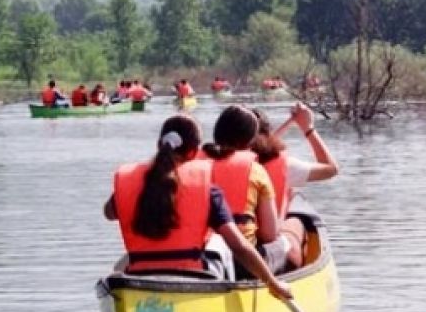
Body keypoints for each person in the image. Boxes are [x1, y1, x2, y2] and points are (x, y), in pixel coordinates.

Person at [103, 114, 291, 300]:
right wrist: (272, 282)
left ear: (159, 145)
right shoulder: (206, 189)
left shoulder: (135, 182)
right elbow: (239, 246)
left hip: (139, 279)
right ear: (193, 153)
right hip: (191, 281)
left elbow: (109, 213)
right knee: (217, 245)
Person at [200, 105, 294, 276]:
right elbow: (269, 234)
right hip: (243, 264)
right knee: (283, 244)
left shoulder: (192, 167)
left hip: (202, 257)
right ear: (251, 141)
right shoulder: (255, 170)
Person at [250, 102, 338, 266]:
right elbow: (331, 169)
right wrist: (308, 128)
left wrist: (289, 123)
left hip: (230, 243)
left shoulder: (214, 163)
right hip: (265, 246)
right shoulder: (284, 166)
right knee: (297, 221)